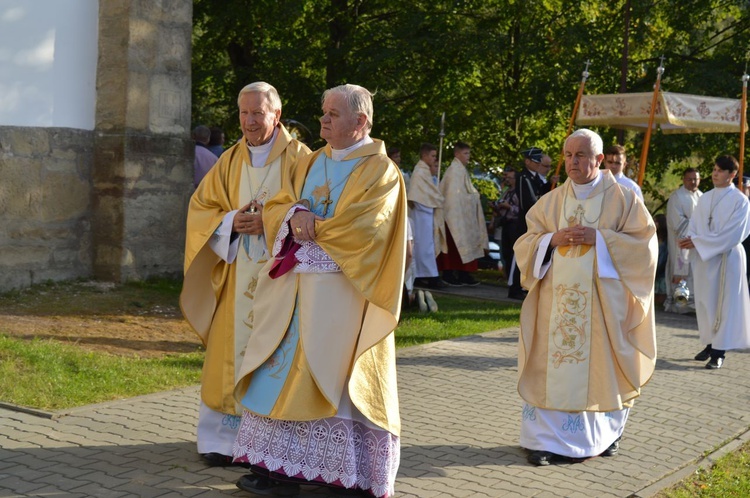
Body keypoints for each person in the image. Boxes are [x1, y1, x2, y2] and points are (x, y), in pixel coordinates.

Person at [232, 84, 406, 497]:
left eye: (332, 114)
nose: (323, 120)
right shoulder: (312, 160)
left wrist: (314, 229)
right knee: (278, 372)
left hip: (342, 299)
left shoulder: (380, 172)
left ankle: (343, 474)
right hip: (295, 292)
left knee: (334, 377)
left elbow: (367, 231)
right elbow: (280, 203)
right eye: (323, 112)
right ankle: (275, 467)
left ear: (360, 122)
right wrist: (295, 214)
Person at [180, 82, 310, 467]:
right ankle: (221, 442)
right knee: (228, 354)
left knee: (274, 358)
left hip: (281, 279)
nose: (249, 122)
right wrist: (231, 221)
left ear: (276, 115)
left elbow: (312, 211)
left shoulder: (300, 158)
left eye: (258, 113)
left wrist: (270, 224)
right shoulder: (230, 160)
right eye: (243, 113)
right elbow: (201, 207)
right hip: (236, 275)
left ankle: (267, 446)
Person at [514, 128, 657, 466]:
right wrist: (551, 240)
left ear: (599, 159)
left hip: (603, 306)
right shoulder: (551, 201)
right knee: (548, 367)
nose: (572, 161)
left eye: (580, 155)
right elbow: (525, 243)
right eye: (567, 155)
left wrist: (601, 239)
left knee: (602, 370)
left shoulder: (623, 199)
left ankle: (606, 436)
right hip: (555, 306)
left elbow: (645, 247)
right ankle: (542, 442)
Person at [678, 155, 750, 370]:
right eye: (715, 169)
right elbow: (695, 225)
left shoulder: (741, 201)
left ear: (732, 175)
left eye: (720, 170)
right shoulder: (705, 198)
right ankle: (710, 344)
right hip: (704, 258)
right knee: (706, 303)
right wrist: (691, 240)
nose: (715, 173)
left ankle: (720, 353)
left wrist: (699, 241)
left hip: (728, 259)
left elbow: (734, 234)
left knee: (724, 306)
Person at [437, 141, 489, 286]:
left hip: (464, 217)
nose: (468, 157)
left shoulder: (462, 170)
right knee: (453, 247)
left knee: (464, 245)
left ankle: (463, 274)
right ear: (457, 154)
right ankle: (449, 273)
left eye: (469, 153)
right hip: (453, 217)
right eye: (465, 153)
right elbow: (451, 197)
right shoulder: (453, 171)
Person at [508, 147, 546, 299]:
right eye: (535, 161)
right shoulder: (523, 177)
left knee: (530, 255)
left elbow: (543, 192)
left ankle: (522, 286)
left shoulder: (534, 177)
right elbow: (527, 202)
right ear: (527, 161)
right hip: (525, 222)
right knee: (519, 255)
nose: (538, 165)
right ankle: (514, 287)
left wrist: (550, 183)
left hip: (534, 222)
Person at [408, 143, 446, 290]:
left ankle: (421, 274)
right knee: (425, 246)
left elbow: (429, 192)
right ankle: (431, 276)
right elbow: (418, 195)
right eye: (432, 156)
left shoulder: (424, 171)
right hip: (422, 213)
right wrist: (435, 200)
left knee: (425, 245)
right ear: (424, 156)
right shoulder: (420, 172)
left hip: (427, 212)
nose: (435, 158)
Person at [663, 168, 702, 313]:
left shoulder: (702, 196)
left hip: (698, 244)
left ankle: (694, 304)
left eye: (695, 179)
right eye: (689, 179)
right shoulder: (677, 197)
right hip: (681, 243)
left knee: (695, 272)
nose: (693, 182)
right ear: (683, 179)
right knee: (681, 270)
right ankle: (680, 306)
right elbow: (677, 223)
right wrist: (697, 228)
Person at [492, 169, 520, 277]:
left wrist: (509, 207)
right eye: (506, 178)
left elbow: (522, 209)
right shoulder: (507, 191)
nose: (507, 180)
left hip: (514, 223)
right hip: (505, 224)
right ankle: (508, 274)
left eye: (510, 178)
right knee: (505, 252)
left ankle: (512, 277)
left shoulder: (519, 192)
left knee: (513, 251)